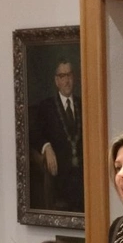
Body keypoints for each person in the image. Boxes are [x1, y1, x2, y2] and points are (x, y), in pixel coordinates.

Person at [29, 58, 83, 212]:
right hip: (60, 173)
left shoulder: (83, 104)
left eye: (69, 75)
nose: (66, 81)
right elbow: (34, 134)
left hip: (83, 172)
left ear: (74, 78)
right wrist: (46, 147)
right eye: (62, 76)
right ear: (56, 81)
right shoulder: (46, 107)